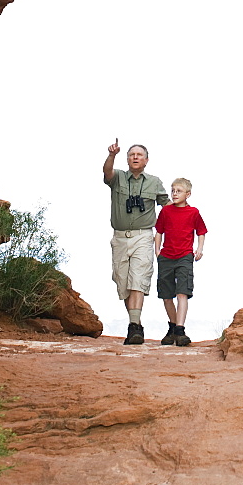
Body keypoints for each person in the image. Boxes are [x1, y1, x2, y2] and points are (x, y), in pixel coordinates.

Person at [104, 140, 170, 345]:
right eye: (131, 154)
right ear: (127, 158)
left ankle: (134, 328)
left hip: (143, 236)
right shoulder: (118, 178)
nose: (135, 157)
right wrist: (111, 156)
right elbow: (106, 173)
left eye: (139, 155)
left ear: (146, 160)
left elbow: (167, 206)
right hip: (120, 236)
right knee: (123, 282)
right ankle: (136, 324)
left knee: (138, 279)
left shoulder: (154, 182)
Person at [154, 177, 207, 347]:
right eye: (173, 191)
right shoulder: (166, 212)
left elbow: (201, 231)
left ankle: (180, 330)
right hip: (166, 257)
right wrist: (157, 251)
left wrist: (199, 249)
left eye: (179, 191)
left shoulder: (193, 213)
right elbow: (159, 231)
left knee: (182, 292)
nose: (175, 194)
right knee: (166, 295)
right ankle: (172, 327)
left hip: (184, 256)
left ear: (188, 194)